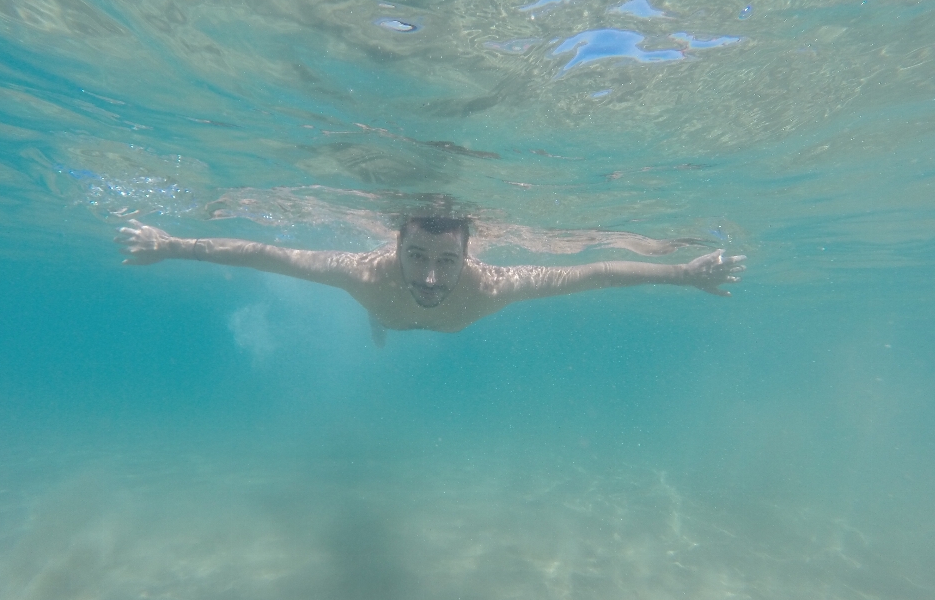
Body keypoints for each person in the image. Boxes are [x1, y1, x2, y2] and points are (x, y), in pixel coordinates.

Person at [116, 217, 745, 343]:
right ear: (396, 242)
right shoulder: (364, 273)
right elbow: (268, 256)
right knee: (378, 306)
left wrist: (684, 274)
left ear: (470, 255)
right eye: (417, 255)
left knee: (385, 307)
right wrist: (171, 245)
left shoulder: (492, 285)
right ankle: (377, 323)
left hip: (398, 312)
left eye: (447, 260)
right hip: (382, 308)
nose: (432, 274)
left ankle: (380, 322)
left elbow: (596, 272)